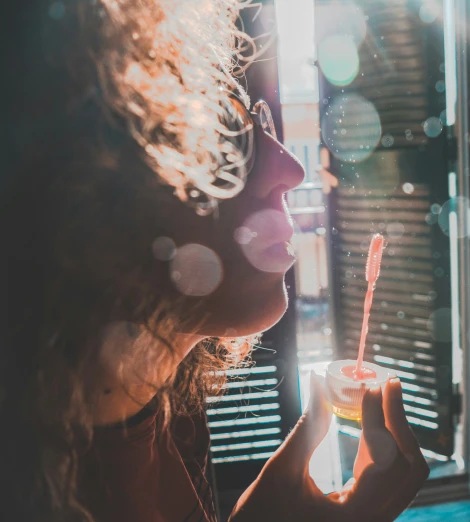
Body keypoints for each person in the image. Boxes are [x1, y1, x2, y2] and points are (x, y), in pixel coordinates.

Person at [1, 1, 429, 521]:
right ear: (82, 191)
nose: (290, 168)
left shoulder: (159, 408)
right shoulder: (37, 493)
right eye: (219, 134)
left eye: (261, 121)